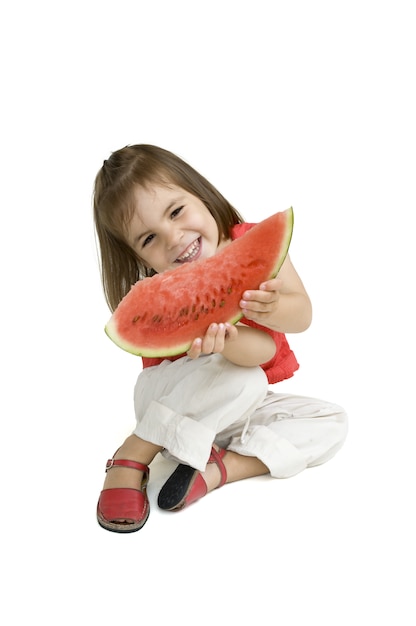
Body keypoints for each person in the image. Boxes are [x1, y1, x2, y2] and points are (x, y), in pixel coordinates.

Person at [93, 144, 348, 533]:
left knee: (331, 422)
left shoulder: (253, 243)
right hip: (166, 402)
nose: (174, 238)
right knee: (242, 378)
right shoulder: (161, 293)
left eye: (176, 212)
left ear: (201, 192)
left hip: (233, 413)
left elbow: (301, 318)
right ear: (140, 258)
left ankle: (218, 470)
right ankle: (134, 453)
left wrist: (273, 308)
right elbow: (245, 370)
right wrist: (211, 334)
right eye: (149, 239)